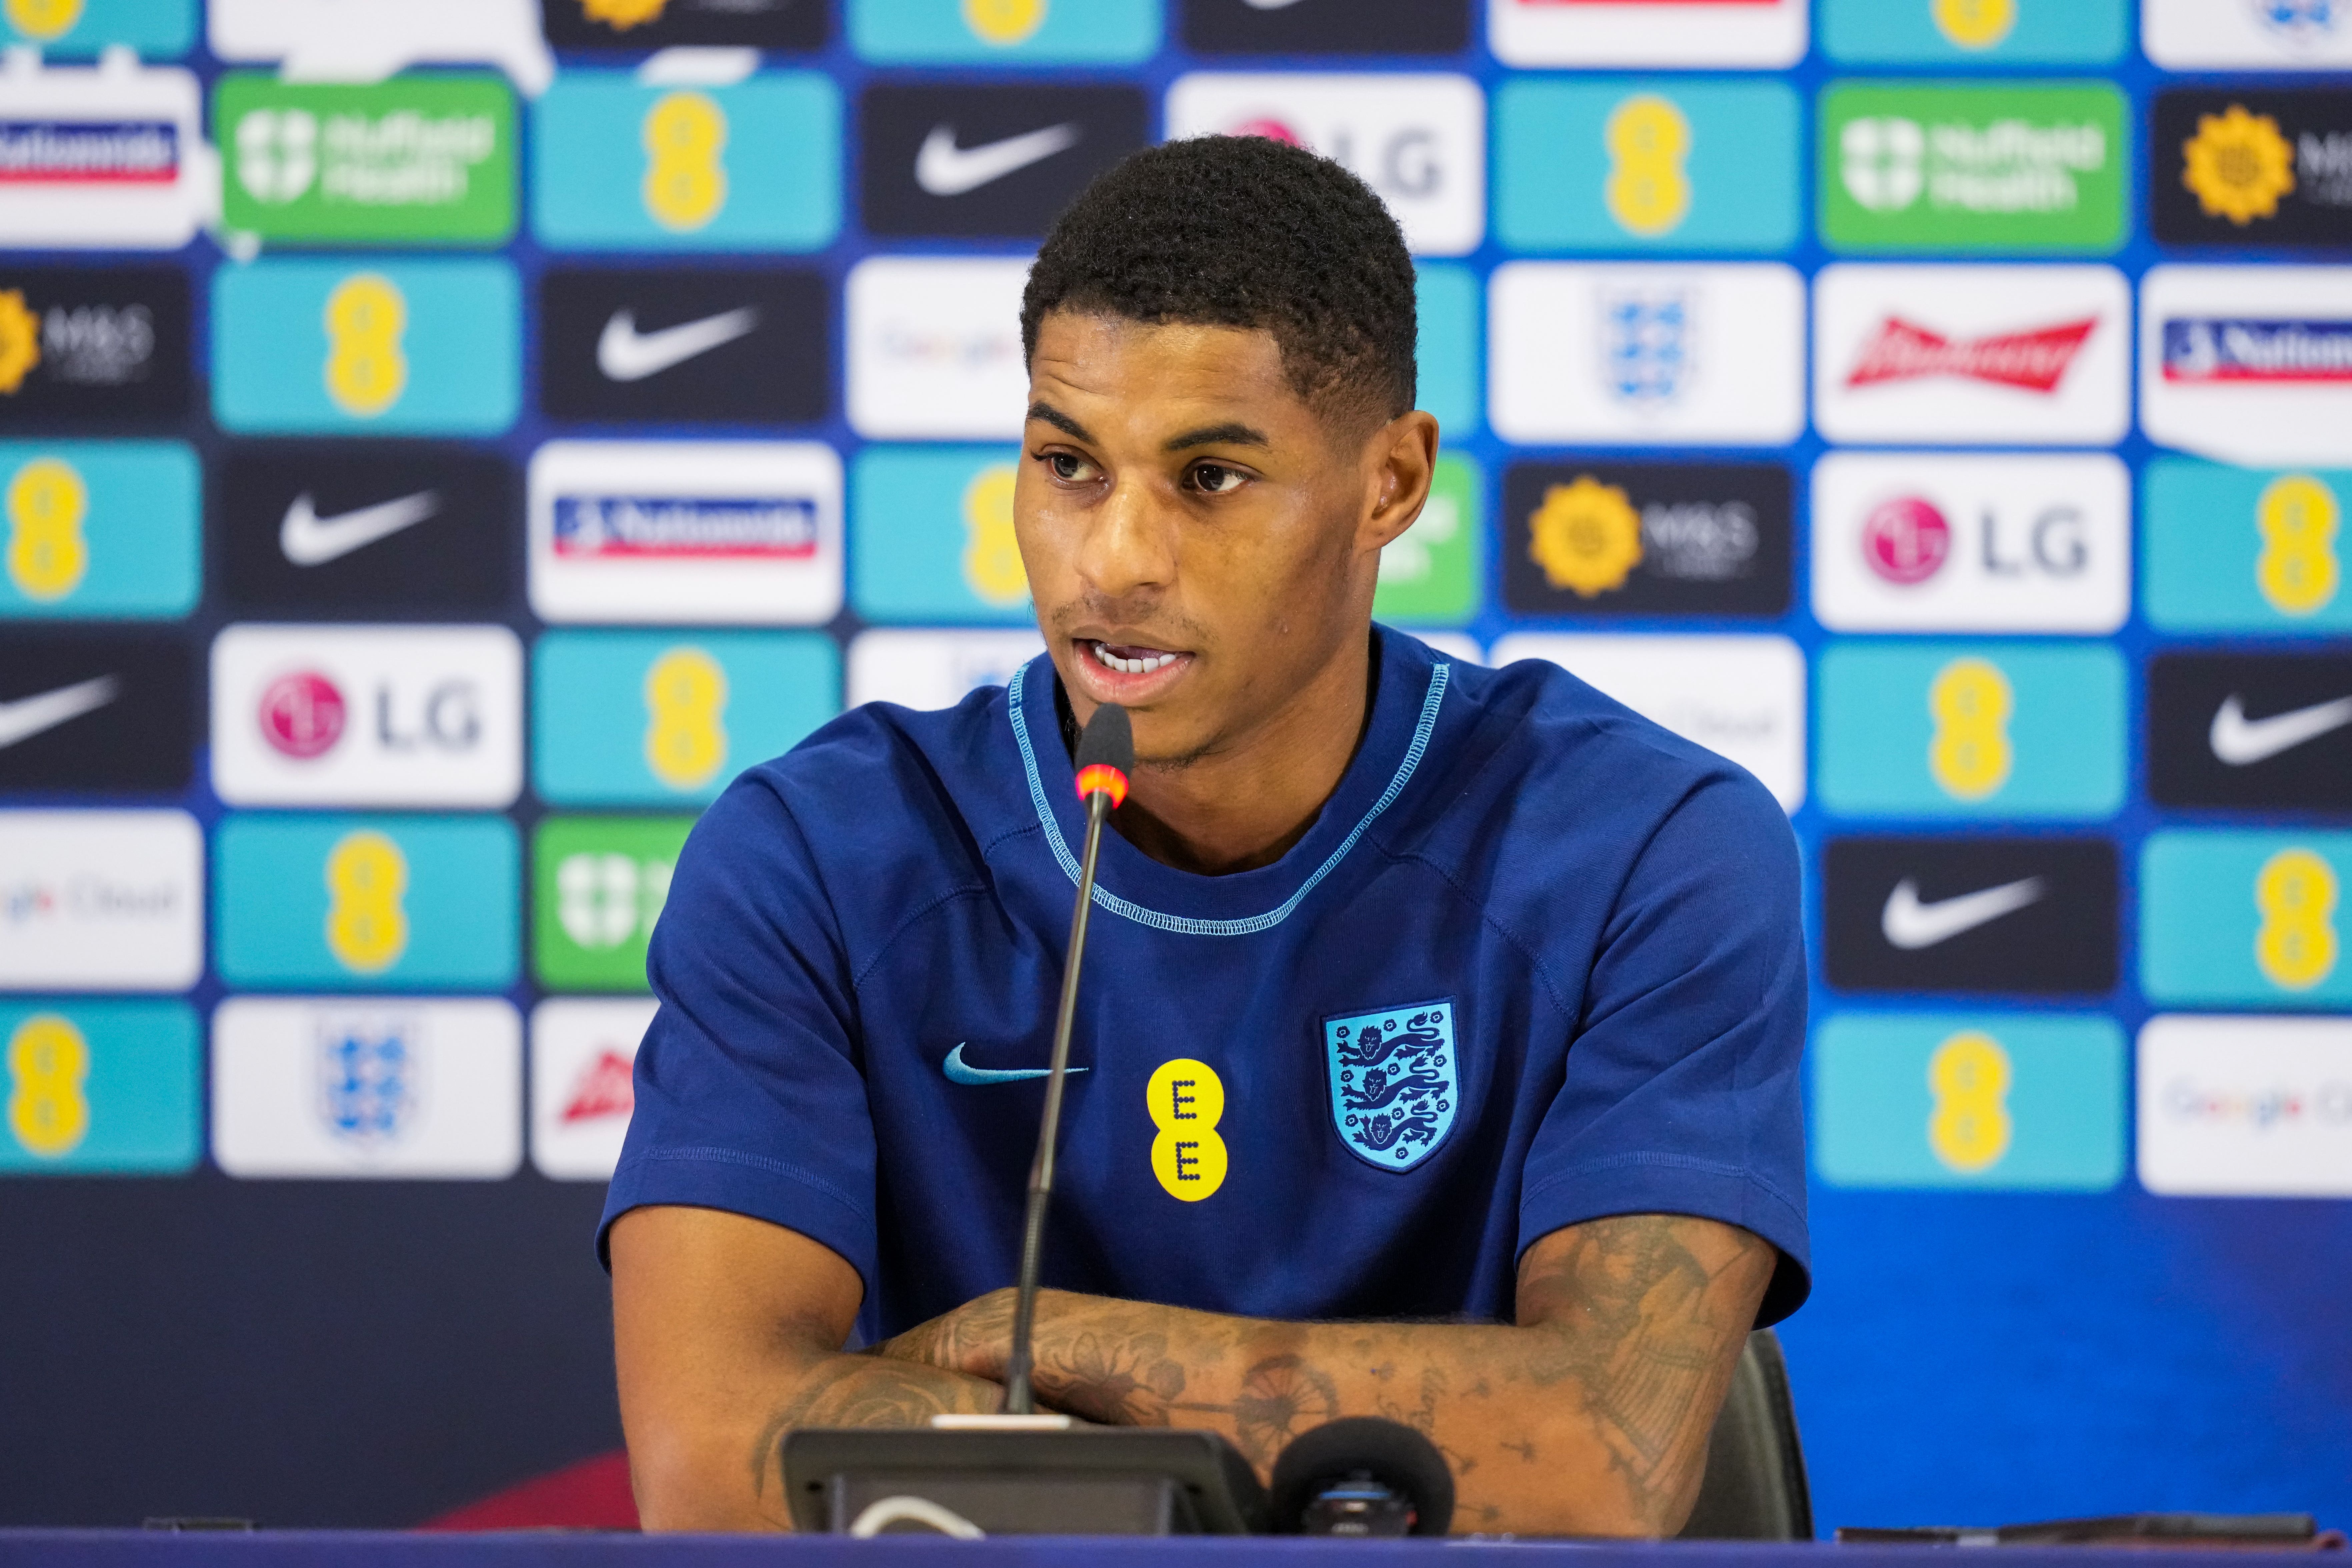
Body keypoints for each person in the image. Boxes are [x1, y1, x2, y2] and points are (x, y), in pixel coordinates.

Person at [604, 135, 1808, 1538]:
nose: (1114, 561)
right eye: (1068, 464)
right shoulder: (816, 860)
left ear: (1391, 486)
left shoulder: (1649, 851)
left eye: (1211, 479)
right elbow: (705, 1458)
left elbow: (1608, 1454)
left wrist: (1065, 1348)